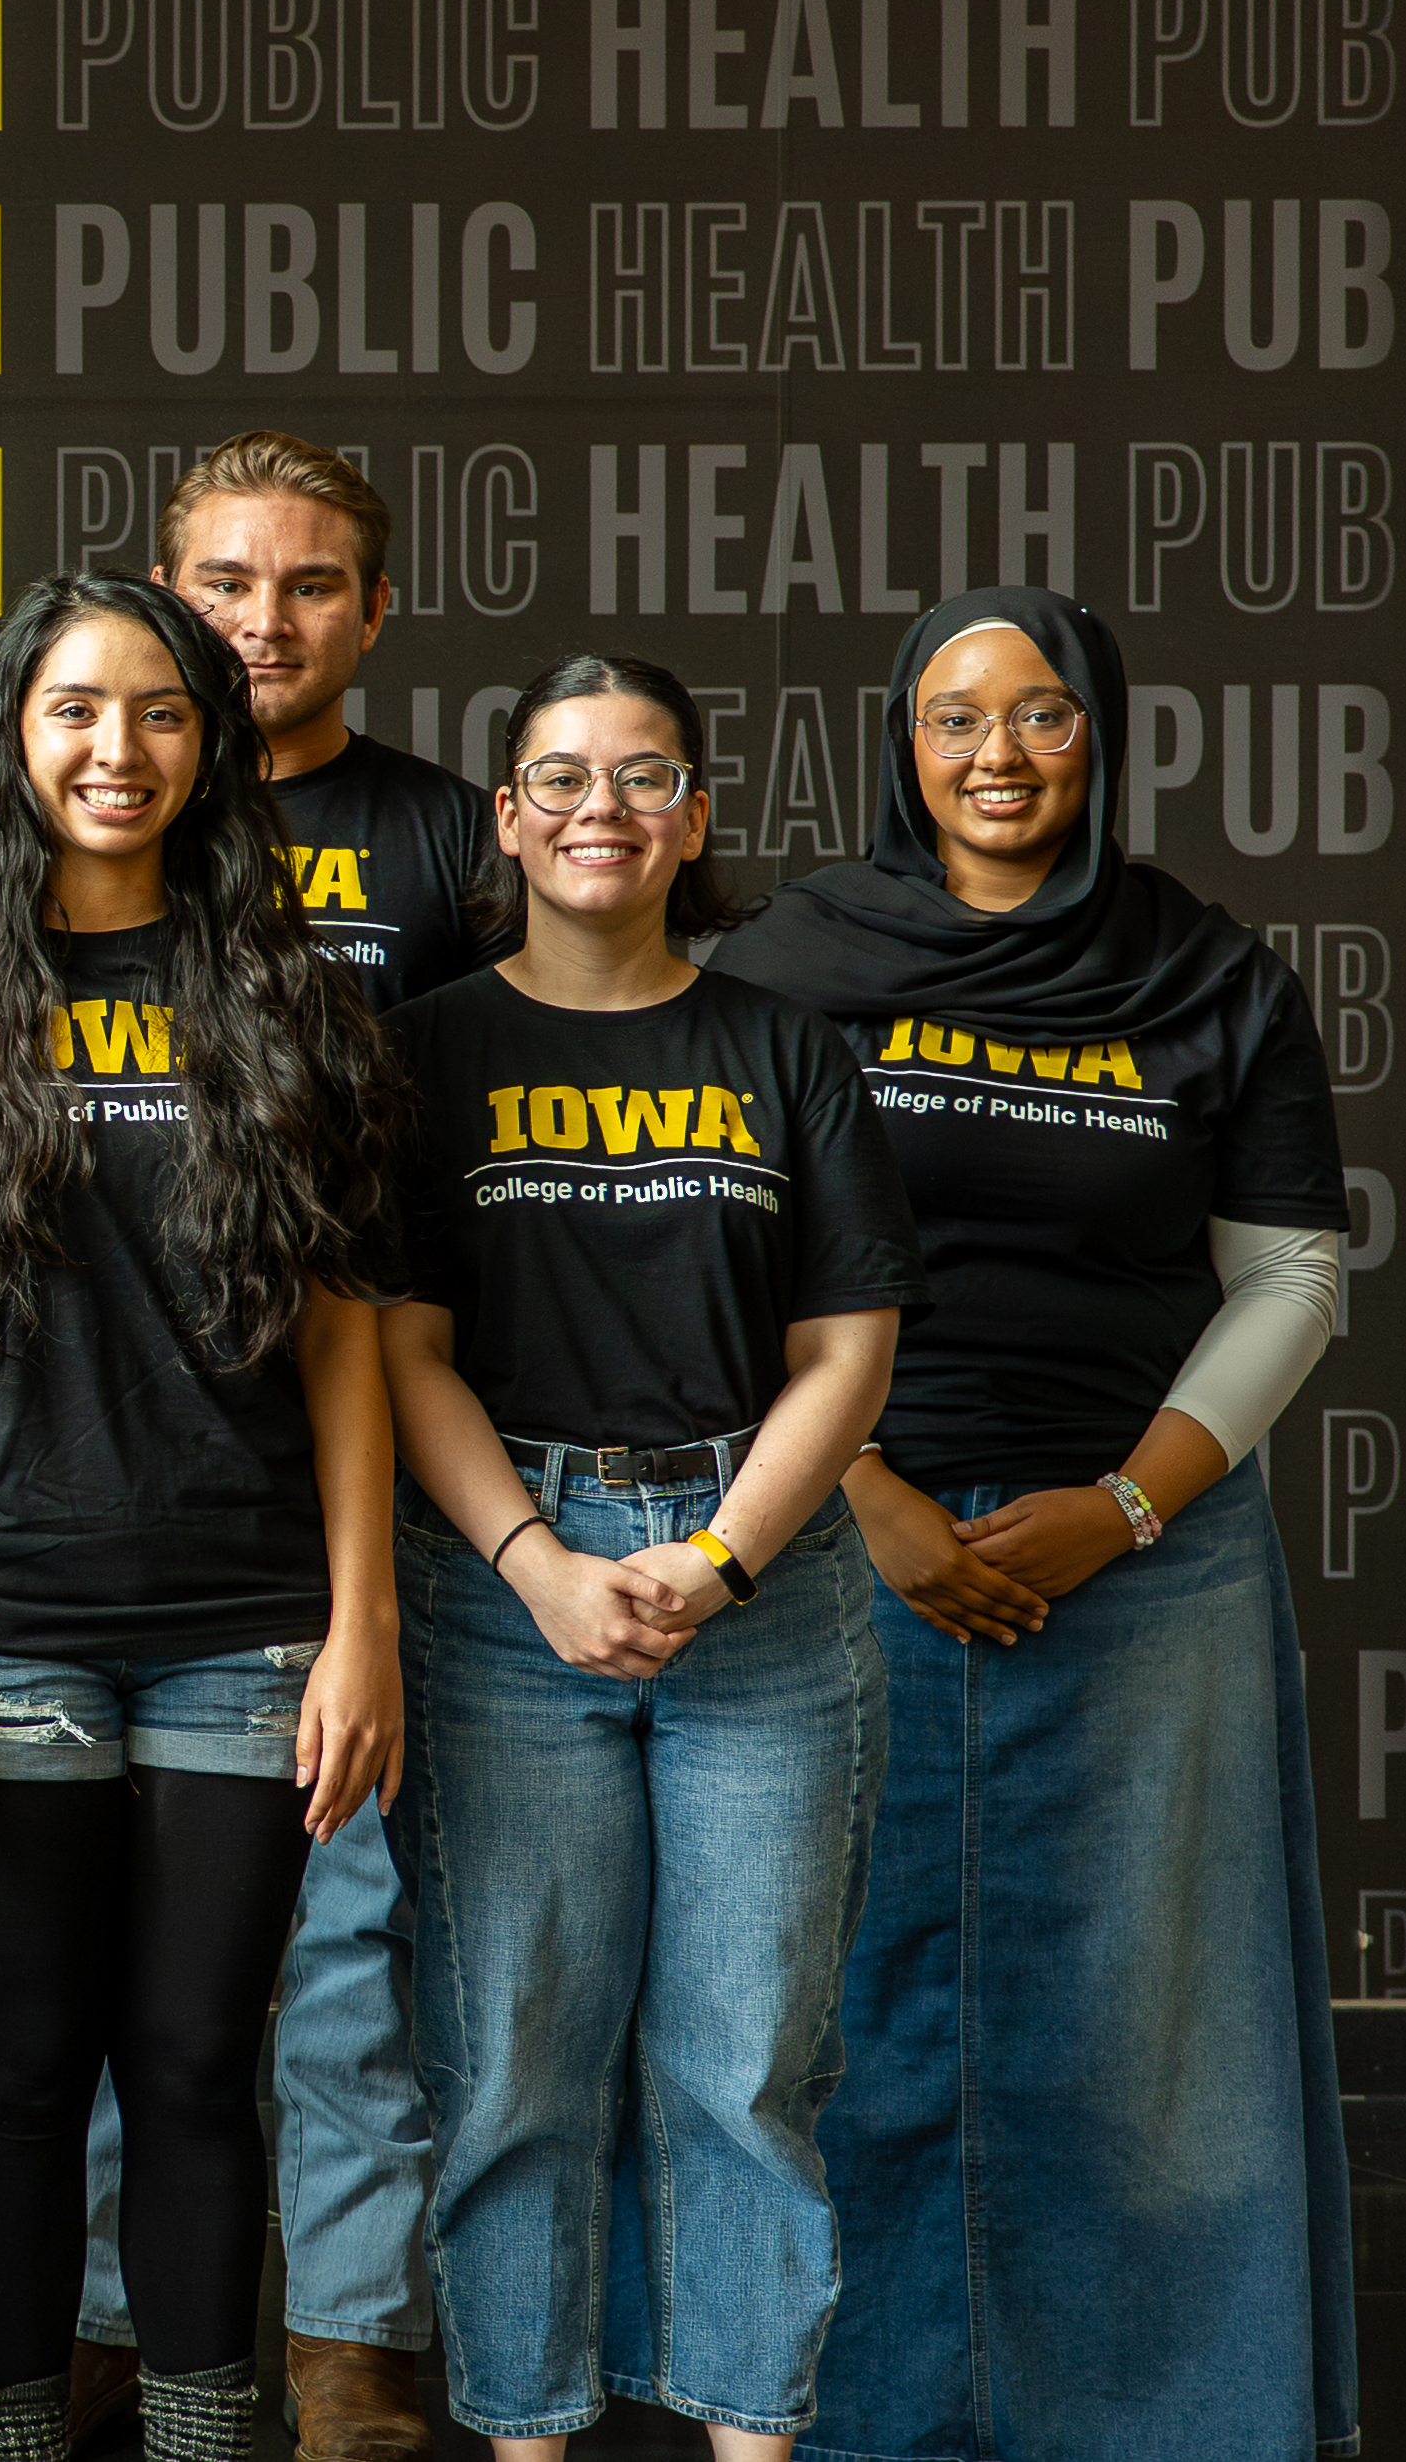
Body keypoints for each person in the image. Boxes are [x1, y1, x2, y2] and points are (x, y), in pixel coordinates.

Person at [709, 586, 1354, 2462]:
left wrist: (1131, 1500)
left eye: (1044, 715)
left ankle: (1160, 2420)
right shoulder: (793, 962)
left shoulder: (1208, 973)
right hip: (835, 1543)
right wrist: (869, 1494)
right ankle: (854, 2421)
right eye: (953, 717)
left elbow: (1293, 1272)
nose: (998, 754)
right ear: (897, 745)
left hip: (1146, 1552)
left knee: (1153, 2044)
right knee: (842, 2011)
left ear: (1102, 734)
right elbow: (711, 1260)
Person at [0, 571, 405, 2462]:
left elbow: (345, 1346)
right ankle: (12, 2426)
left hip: (243, 1617)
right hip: (0, 1622)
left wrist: (362, 1621)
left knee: (202, 2067)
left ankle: (210, 2433)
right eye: (73, 710)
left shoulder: (294, 1004)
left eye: (155, 711)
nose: (114, 750)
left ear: (207, 744)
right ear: (13, 738)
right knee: (23, 2063)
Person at [379, 658, 919, 2461]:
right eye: (559, 775)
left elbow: (847, 1353)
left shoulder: (781, 1046)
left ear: (692, 819)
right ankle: (522, 2432)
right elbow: (398, 1344)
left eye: (642, 778)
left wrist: (717, 1559)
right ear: (508, 817)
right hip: (495, 1579)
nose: (599, 807)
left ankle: (747, 2433)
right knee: (518, 2058)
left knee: (746, 2066)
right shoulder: (428, 1048)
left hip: (752, 1584)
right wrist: (537, 1559)